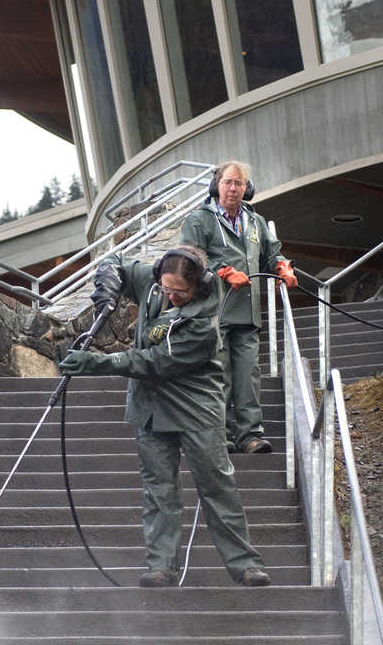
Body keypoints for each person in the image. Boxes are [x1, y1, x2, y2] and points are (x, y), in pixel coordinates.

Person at [58, 245, 271, 588]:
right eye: (166, 288)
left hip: (196, 407)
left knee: (217, 486)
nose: (171, 296)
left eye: (180, 292)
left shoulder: (204, 321)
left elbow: (152, 362)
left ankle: (245, 564)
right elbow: (114, 262)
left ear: (198, 286)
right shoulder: (156, 281)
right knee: (159, 491)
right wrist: (107, 289)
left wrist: (97, 363)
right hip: (150, 408)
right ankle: (161, 566)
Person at [180, 161, 297, 454]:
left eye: (240, 184)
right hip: (213, 315)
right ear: (216, 185)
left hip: (247, 315)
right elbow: (189, 261)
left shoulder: (255, 222)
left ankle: (250, 435)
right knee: (218, 377)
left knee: (248, 376)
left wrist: (282, 267)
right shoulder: (198, 221)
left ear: (248, 189)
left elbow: (272, 253)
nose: (233, 189)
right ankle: (217, 436)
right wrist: (223, 271)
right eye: (228, 182)